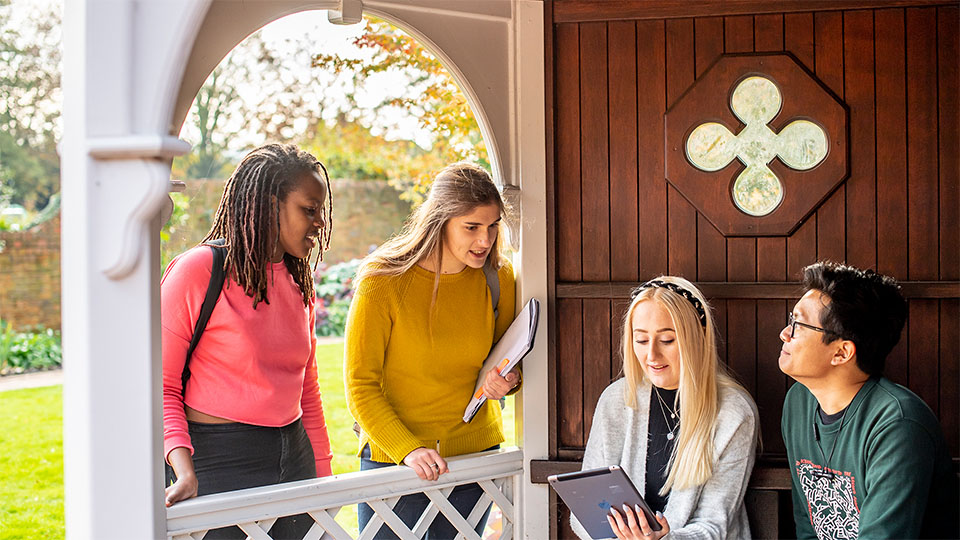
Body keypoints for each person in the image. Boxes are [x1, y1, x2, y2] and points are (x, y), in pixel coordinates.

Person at [162, 143, 335, 539]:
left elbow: (307, 390)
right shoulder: (199, 271)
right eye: (309, 210)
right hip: (217, 463)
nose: (320, 223)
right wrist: (182, 467)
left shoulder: (298, 282)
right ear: (269, 205)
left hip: (295, 459)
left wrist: (325, 477)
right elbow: (161, 384)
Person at [344, 162, 519, 539]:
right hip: (394, 460)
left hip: (474, 461)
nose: (485, 240)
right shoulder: (383, 280)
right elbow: (361, 385)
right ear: (439, 221)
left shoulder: (498, 278)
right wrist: (408, 450)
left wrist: (508, 381)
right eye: (471, 227)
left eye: (492, 227)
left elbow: (509, 359)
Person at [779, 261, 959, 539]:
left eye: (799, 324)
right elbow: (808, 526)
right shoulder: (798, 403)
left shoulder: (899, 425)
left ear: (841, 353)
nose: (785, 333)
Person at [573, 277, 759, 540]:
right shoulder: (615, 400)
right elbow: (585, 514)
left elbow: (714, 524)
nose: (651, 356)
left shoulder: (733, 412)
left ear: (697, 337)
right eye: (641, 340)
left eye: (668, 340)